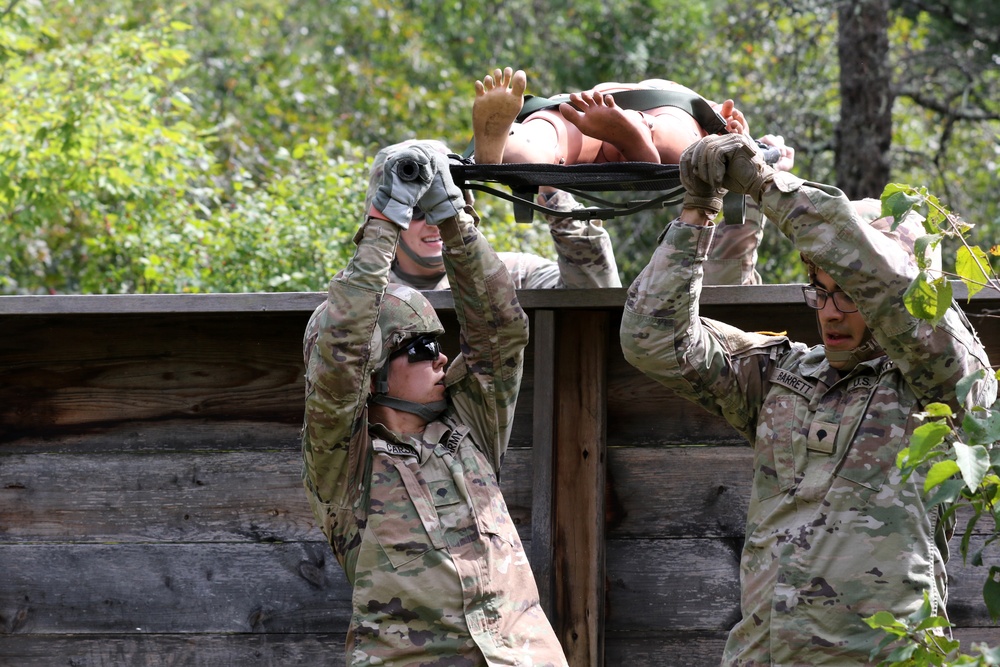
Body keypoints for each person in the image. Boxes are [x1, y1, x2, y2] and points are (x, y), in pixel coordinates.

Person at [619, 132, 997, 665]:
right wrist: (697, 212)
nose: (831, 311)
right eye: (820, 288)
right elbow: (652, 340)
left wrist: (766, 185)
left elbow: (889, 285)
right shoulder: (785, 373)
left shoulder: (944, 382)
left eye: (849, 292)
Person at [301, 139, 568, 666]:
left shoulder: (470, 426)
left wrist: (453, 216)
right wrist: (384, 222)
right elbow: (340, 356)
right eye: (422, 349)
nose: (442, 359)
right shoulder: (345, 465)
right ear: (374, 370)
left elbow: (501, 330)